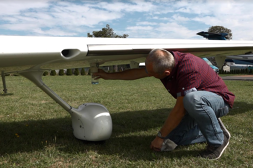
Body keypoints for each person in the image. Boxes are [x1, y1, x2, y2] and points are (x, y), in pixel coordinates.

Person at [93, 49, 235, 160]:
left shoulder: (189, 68)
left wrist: (160, 136)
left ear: (166, 72)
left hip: (219, 101)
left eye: (151, 74)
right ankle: (210, 129)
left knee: (192, 99)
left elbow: (180, 110)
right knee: (170, 143)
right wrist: (108, 75)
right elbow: (137, 73)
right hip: (195, 106)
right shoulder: (165, 60)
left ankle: (217, 141)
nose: (148, 74)